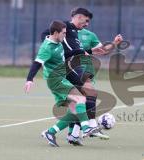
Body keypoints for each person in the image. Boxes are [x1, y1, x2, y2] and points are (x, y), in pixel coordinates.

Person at [41, 7, 123, 142]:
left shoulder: (77, 34)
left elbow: (98, 50)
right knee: (87, 94)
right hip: (66, 69)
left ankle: (62, 133)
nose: (87, 24)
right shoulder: (65, 27)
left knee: (77, 106)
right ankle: (89, 127)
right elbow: (46, 35)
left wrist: (114, 43)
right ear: (78, 17)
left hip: (74, 69)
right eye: (86, 21)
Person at [24, 20, 99, 147]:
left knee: (75, 112)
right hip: (55, 80)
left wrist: (87, 52)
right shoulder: (47, 47)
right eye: (64, 33)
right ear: (55, 33)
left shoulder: (58, 42)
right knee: (80, 99)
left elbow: (66, 55)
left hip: (62, 78)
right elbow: (37, 63)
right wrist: (29, 79)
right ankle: (86, 128)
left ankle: (50, 132)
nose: (65, 35)